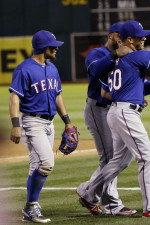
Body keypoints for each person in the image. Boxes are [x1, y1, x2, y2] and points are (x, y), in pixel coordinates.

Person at [78, 20, 150, 219]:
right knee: (146, 157)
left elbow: (107, 91)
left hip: (117, 111)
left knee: (118, 162)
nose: (144, 38)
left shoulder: (115, 62)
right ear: (130, 40)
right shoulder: (135, 55)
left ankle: (88, 192)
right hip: (124, 113)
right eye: (140, 36)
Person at [9, 30, 77, 223]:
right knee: (46, 163)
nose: (56, 49)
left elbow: (57, 95)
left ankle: (30, 209)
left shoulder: (52, 68)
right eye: (52, 46)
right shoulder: (24, 69)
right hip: (31, 122)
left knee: (36, 166)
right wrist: (16, 124)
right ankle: (31, 206)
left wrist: (67, 121)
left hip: (49, 123)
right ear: (42, 48)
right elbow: (14, 97)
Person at [76, 22, 137, 216]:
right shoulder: (98, 53)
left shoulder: (126, 55)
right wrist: (114, 55)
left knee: (119, 158)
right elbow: (94, 70)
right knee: (110, 158)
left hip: (114, 110)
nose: (122, 38)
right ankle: (111, 204)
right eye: (119, 35)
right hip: (97, 109)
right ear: (111, 36)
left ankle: (87, 191)